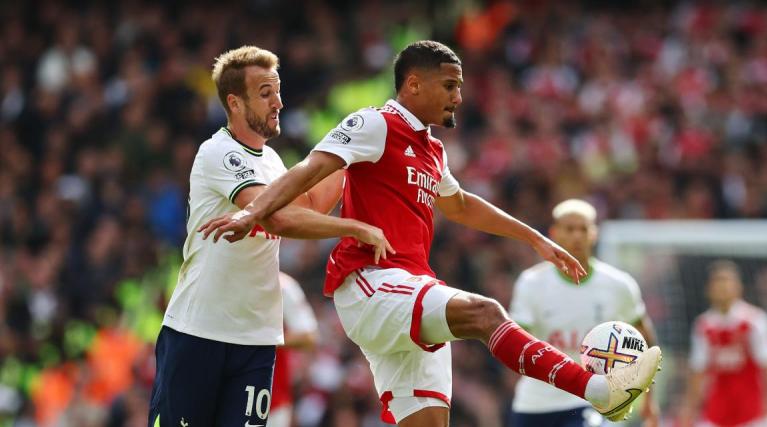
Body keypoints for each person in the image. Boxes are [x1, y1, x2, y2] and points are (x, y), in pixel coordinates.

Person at [199, 40, 661, 426]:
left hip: (410, 286)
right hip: (371, 281)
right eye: (449, 85)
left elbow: (460, 205)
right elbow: (310, 168)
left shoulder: (432, 150)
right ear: (413, 84)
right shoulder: (375, 123)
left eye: (459, 86)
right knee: (484, 313)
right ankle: (596, 388)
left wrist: (535, 238)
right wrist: (251, 213)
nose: (458, 96)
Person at [148, 46, 392, 427]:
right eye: (265, 93)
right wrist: (353, 227)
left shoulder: (272, 161)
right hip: (199, 331)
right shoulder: (217, 153)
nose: (278, 102)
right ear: (236, 102)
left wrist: (351, 155)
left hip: (256, 338)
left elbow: (308, 206)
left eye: (277, 91)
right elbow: (275, 217)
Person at [508, 199, 660, 427]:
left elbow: (645, 341)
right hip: (535, 402)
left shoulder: (619, 285)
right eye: (569, 229)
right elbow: (516, 345)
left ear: (594, 233)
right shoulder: (531, 283)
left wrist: (648, 397)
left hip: (592, 399)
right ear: (554, 233)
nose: (577, 236)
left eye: (583, 229)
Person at [679, 260, 767, 427]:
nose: (722, 286)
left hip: (752, 416)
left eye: (727, 281)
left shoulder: (756, 321)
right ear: (708, 289)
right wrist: (688, 411)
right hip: (715, 415)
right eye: (717, 281)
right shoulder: (703, 325)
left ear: (739, 287)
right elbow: (697, 373)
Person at [267, 272, 319, 427]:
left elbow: (308, 336)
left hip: (272, 402)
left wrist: (262, 340)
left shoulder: (283, 285)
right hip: (224, 392)